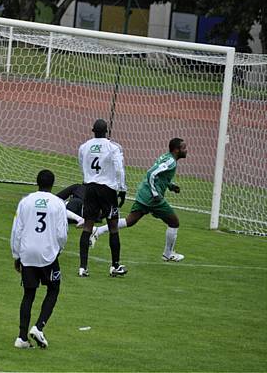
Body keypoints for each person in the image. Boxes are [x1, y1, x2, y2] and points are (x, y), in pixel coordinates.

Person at [90, 138, 188, 262]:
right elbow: (151, 174)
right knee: (174, 222)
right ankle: (168, 254)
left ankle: (98, 231)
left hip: (144, 193)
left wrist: (171, 185)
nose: (186, 150)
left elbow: (160, 177)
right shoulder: (171, 162)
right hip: (152, 197)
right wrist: (155, 194)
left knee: (130, 221)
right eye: (184, 148)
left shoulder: (167, 157)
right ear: (176, 150)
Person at [10, 169, 67, 349]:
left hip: (27, 252)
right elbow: (61, 233)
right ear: (52, 184)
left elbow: (16, 230)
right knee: (53, 288)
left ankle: (21, 338)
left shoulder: (25, 201)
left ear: (37, 182)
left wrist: (16, 255)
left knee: (29, 294)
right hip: (48, 254)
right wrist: (59, 249)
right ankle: (39, 327)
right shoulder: (58, 203)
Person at [78, 119, 127, 278]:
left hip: (90, 187)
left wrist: (87, 178)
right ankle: (115, 266)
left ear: (93, 130)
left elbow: (81, 163)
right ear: (107, 131)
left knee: (87, 226)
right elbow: (119, 169)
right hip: (107, 190)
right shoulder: (113, 147)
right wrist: (122, 189)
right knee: (113, 227)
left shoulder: (84, 146)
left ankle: (83, 267)